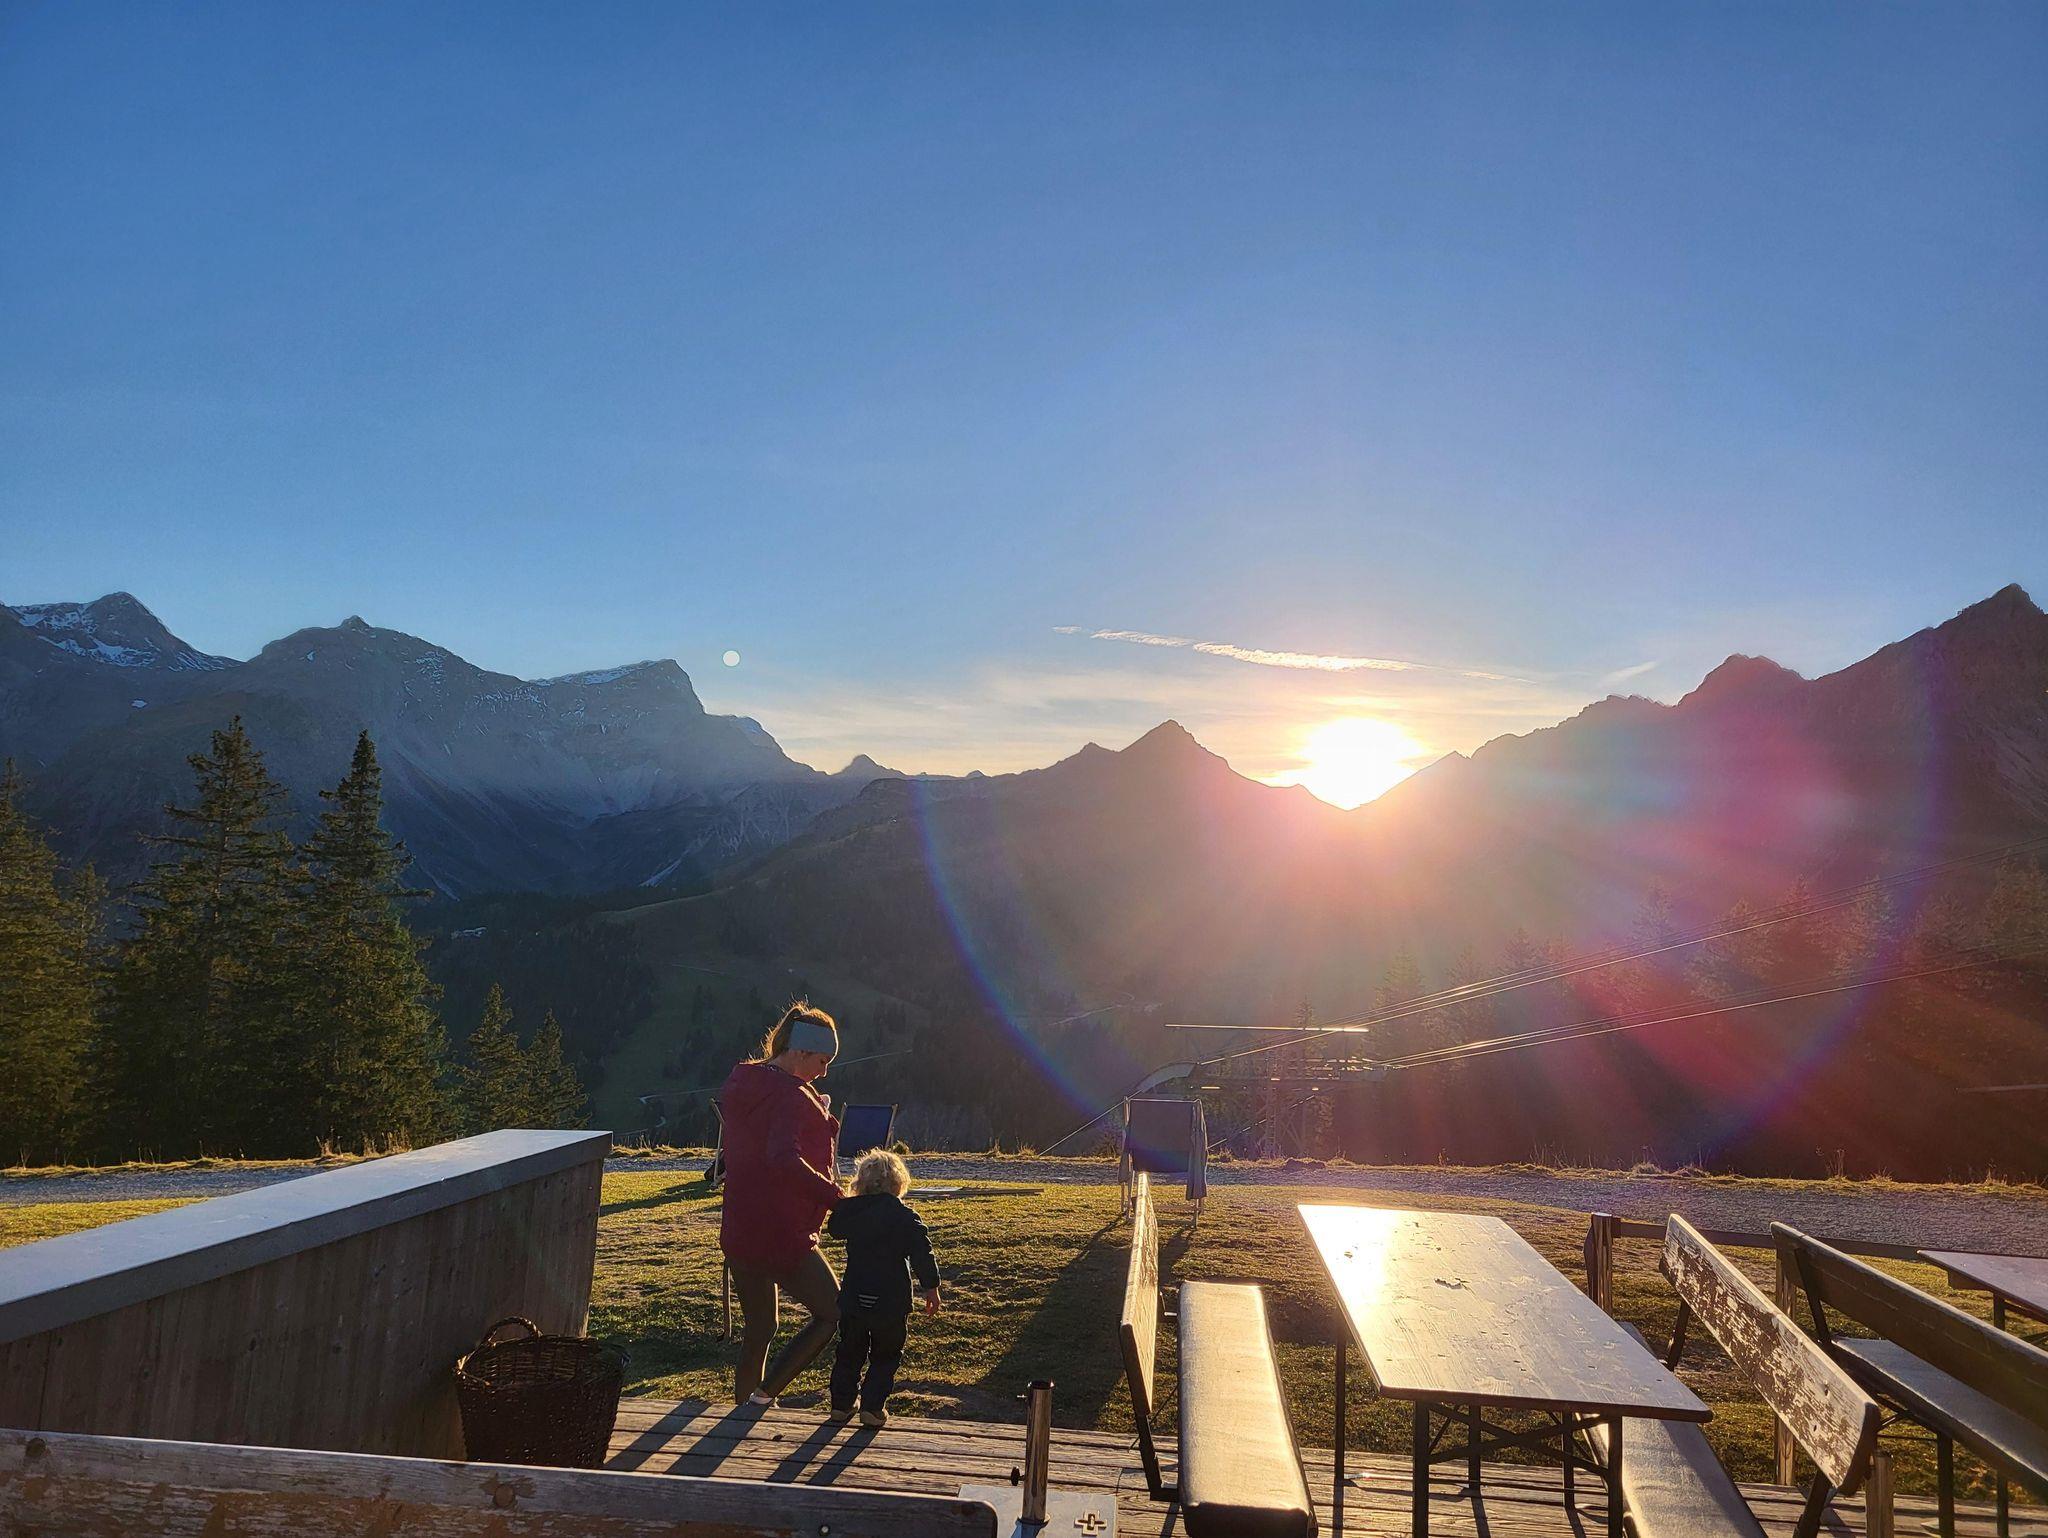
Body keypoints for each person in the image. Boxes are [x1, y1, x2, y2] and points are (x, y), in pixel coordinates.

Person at [717, 1001, 844, 1405]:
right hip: (781, 1232)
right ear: (801, 1052)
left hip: (741, 1228)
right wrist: (836, 1199)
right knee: (832, 1312)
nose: (824, 1072)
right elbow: (783, 1157)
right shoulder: (790, 1095)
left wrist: (815, 1111)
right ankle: (764, 1394)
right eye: (822, 1061)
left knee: (760, 1328)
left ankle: (741, 1414)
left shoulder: (745, 1082)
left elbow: (753, 1144)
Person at [825, 1148, 942, 1427]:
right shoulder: (904, 1217)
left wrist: (846, 1203)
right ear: (899, 1184)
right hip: (891, 1300)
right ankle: (872, 1407)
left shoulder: (851, 1212)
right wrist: (931, 1287)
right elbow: (922, 1253)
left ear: (861, 1183)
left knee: (849, 1351)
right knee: (886, 1354)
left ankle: (841, 1404)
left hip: (854, 1296)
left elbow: (834, 1227)